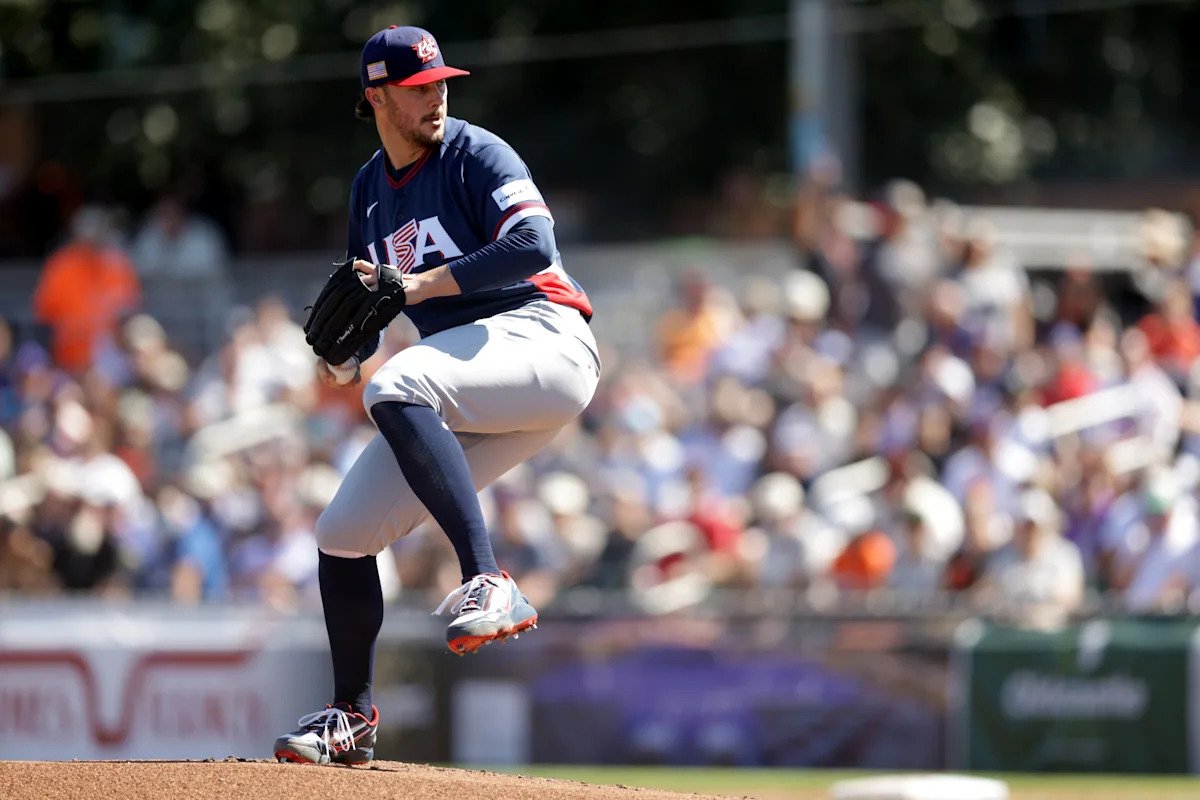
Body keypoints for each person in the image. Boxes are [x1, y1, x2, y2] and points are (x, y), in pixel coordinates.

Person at [272, 26, 600, 766]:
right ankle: (350, 717)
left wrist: (414, 290)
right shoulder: (367, 192)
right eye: (419, 87)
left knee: (402, 380)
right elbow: (370, 309)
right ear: (377, 97)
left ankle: (489, 580)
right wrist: (344, 360)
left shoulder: (476, 152)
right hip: (473, 382)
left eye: (442, 81)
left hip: (545, 338)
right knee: (342, 533)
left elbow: (531, 249)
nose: (437, 96)